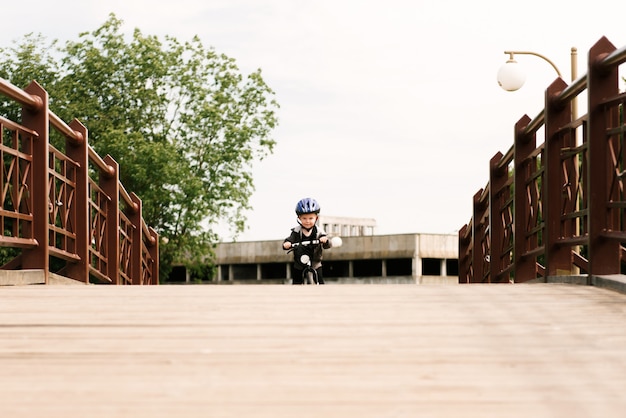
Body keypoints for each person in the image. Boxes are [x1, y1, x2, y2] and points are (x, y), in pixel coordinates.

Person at [283, 197, 332, 284]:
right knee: (297, 280)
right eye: (304, 218)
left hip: (315, 262)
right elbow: (290, 239)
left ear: (316, 218)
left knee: (319, 279)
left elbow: (327, 244)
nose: (307, 221)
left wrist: (325, 241)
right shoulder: (297, 231)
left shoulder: (319, 231)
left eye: (310, 218)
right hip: (299, 262)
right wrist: (287, 243)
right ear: (299, 218)